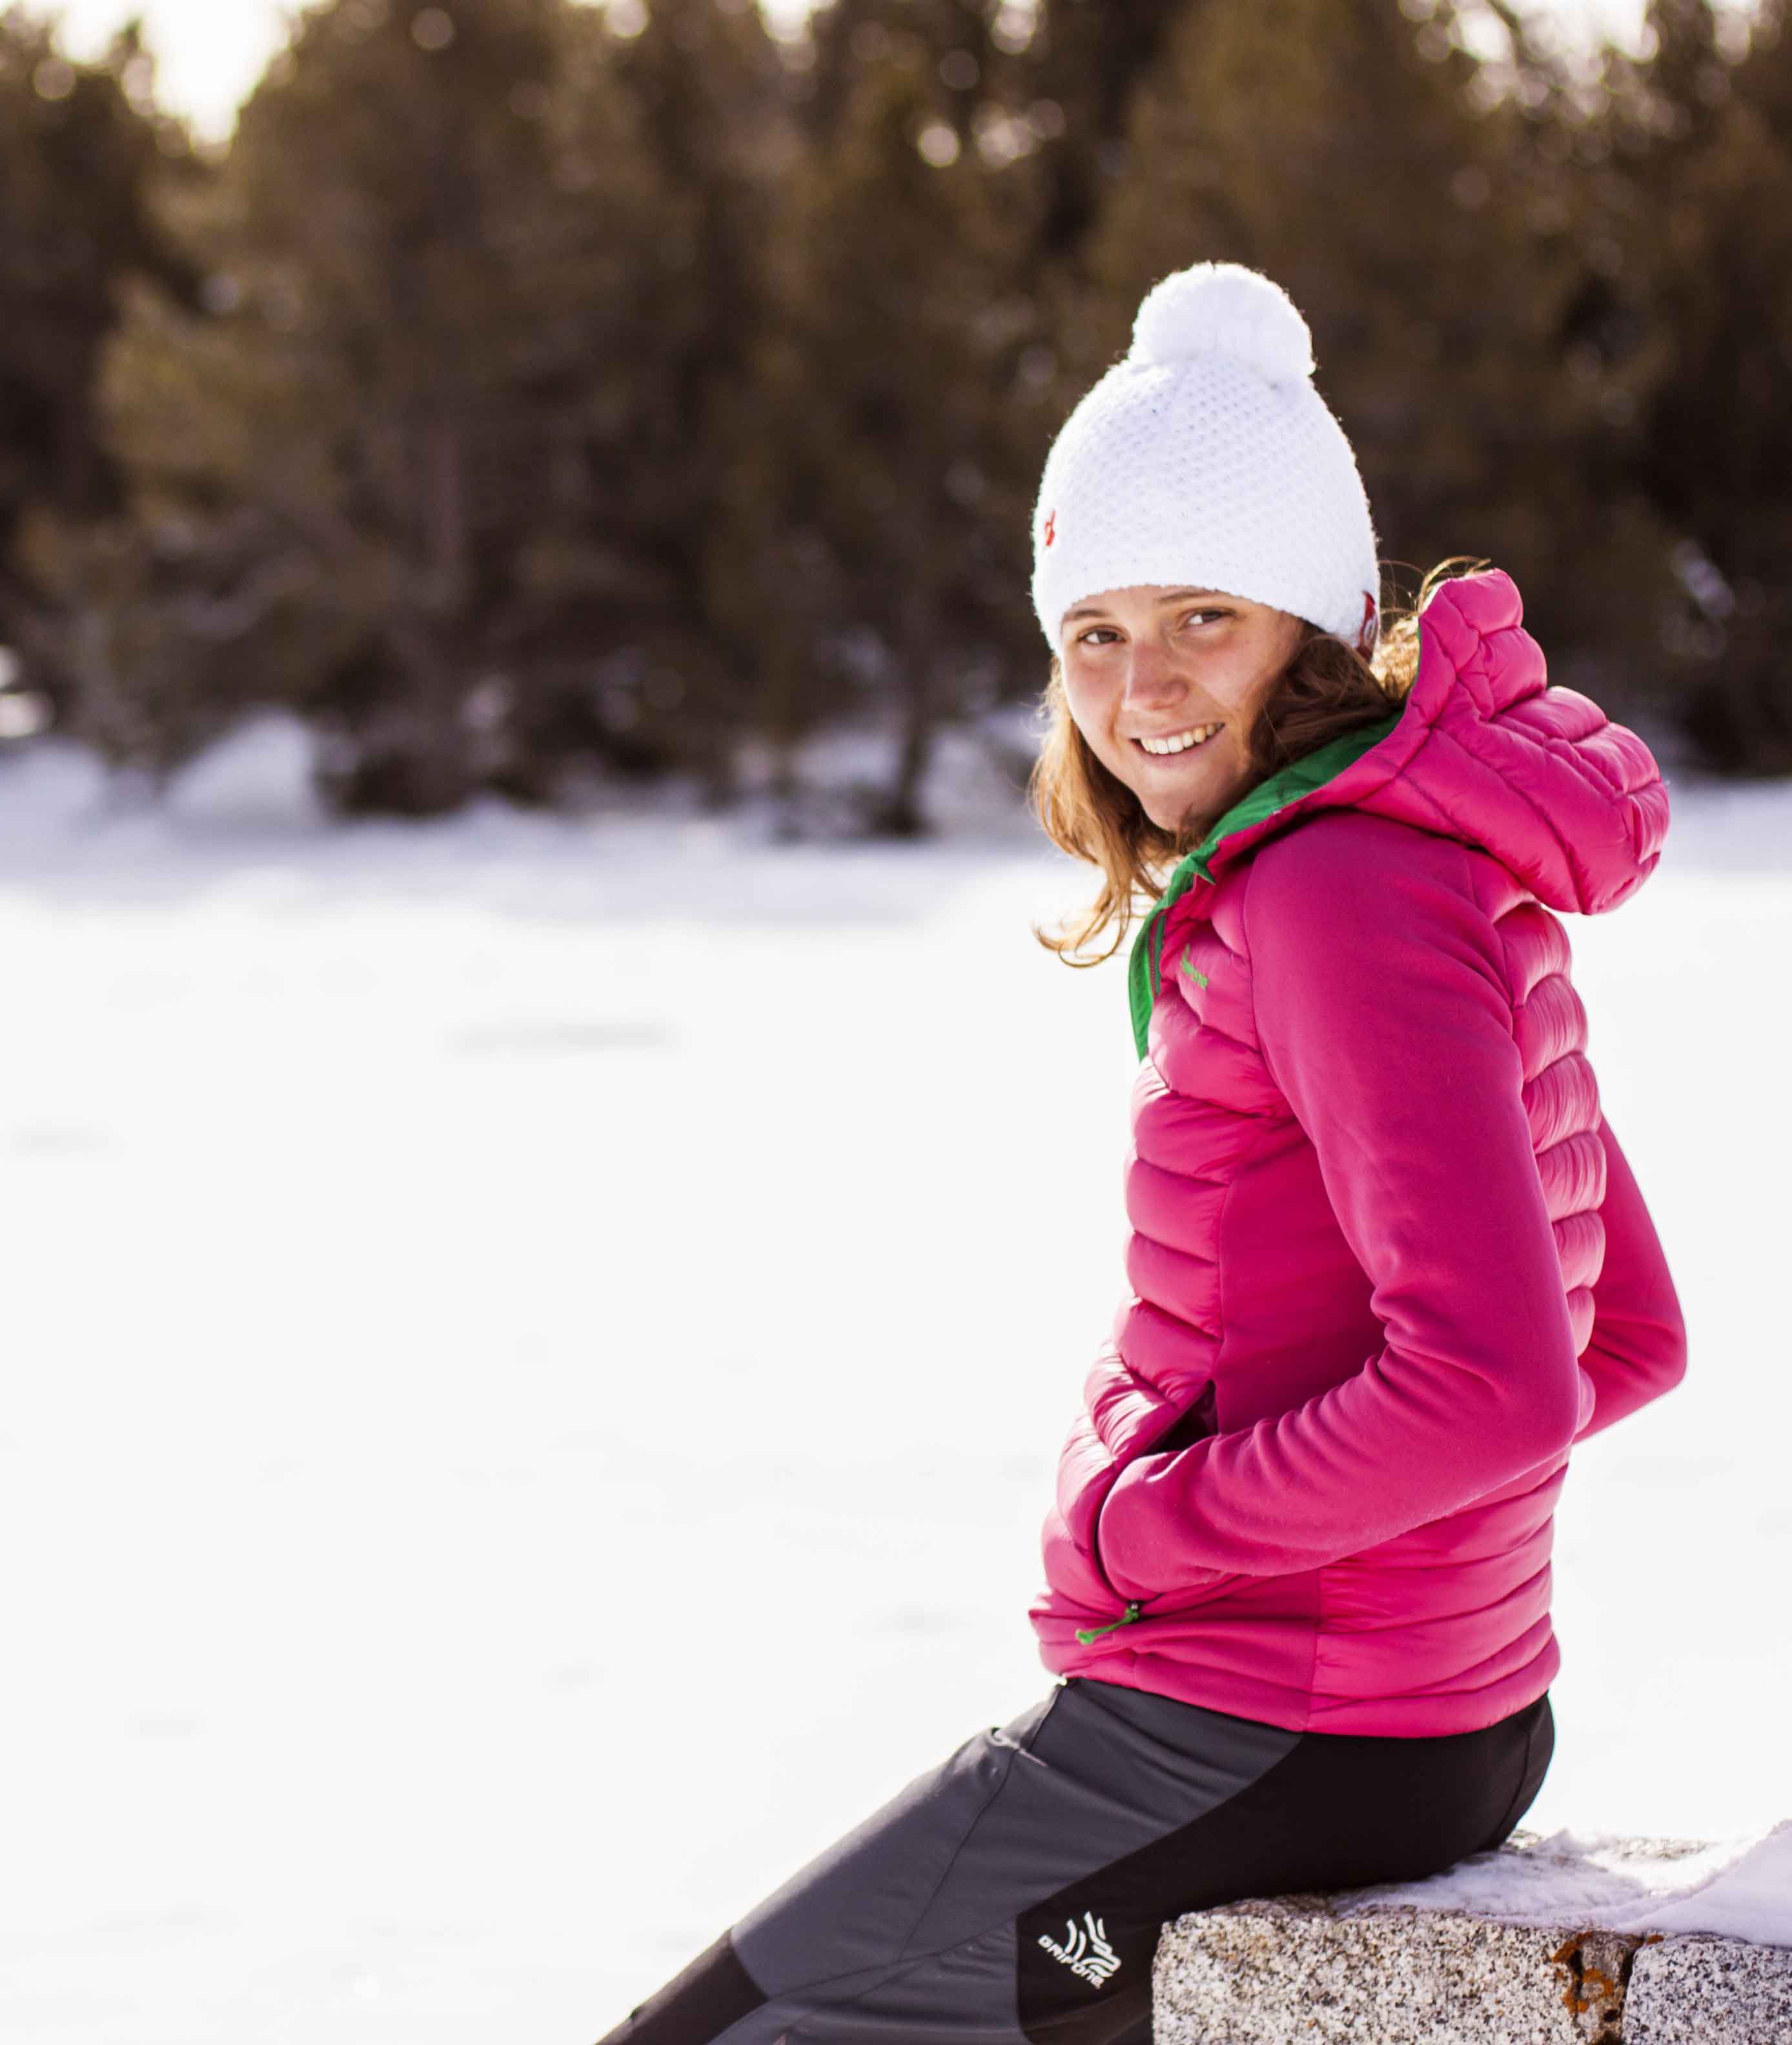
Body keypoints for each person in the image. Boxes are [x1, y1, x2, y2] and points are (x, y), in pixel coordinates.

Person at [594, 261, 1687, 2045]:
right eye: (1093, 628)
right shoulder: (1417, 862)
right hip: (1425, 1725)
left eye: (1204, 617)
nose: (1141, 684)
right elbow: (1620, 1334)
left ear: (1317, 630)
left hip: (1276, 1737)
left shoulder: (1338, 893)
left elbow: (1505, 1386)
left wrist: (1160, 1523)